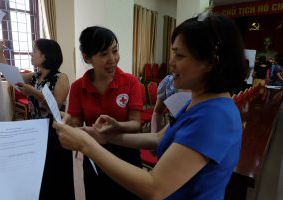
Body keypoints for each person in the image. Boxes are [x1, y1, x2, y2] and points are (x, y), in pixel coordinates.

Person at [54, 13, 247, 200]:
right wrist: (104, 137)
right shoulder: (196, 101)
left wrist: (86, 145)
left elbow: (155, 188)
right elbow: (158, 137)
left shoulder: (214, 117)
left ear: (210, 63)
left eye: (179, 55)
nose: (171, 63)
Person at [66, 26, 143, 199]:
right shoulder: (78, 87)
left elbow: (135, 124)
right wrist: (70, 126)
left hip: (126, 152)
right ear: (87, 58)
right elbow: (77, 125)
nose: (112, 60)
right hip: (95, 154)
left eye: (114, 51)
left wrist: (117, 125)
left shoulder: (131, 82)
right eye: (103, 54)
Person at [0, 39, 75, 200]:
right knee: (40, 171)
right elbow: (12, 77)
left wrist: (34, 93)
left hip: (54, 132)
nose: (31, 53)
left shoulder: (61, 78)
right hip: (36, 130)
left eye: (34, 50)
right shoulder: (35, 75)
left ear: (45, 56)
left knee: (56, 171)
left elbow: (56, 107)